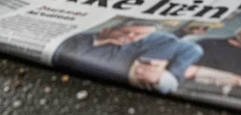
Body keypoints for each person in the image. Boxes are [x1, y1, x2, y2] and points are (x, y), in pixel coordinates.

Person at [52, 20, 202, 94]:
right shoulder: (79, 39)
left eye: (139, 35)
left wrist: (167, 75)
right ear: (108, 28)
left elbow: (193, 50)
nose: (131, 37)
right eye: (127, 32)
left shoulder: (140, 45)